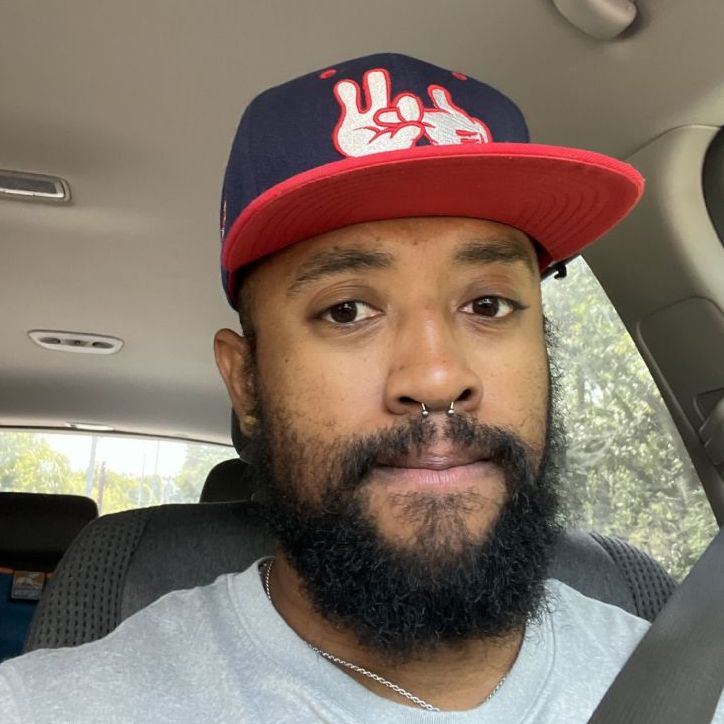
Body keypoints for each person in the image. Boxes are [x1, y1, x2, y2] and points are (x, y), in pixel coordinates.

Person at [1, 52, 719, 723]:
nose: (438, 376)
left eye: (489, 304)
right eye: (346, 310)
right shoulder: (54, 706)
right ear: (244, 382)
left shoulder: (691, 679)